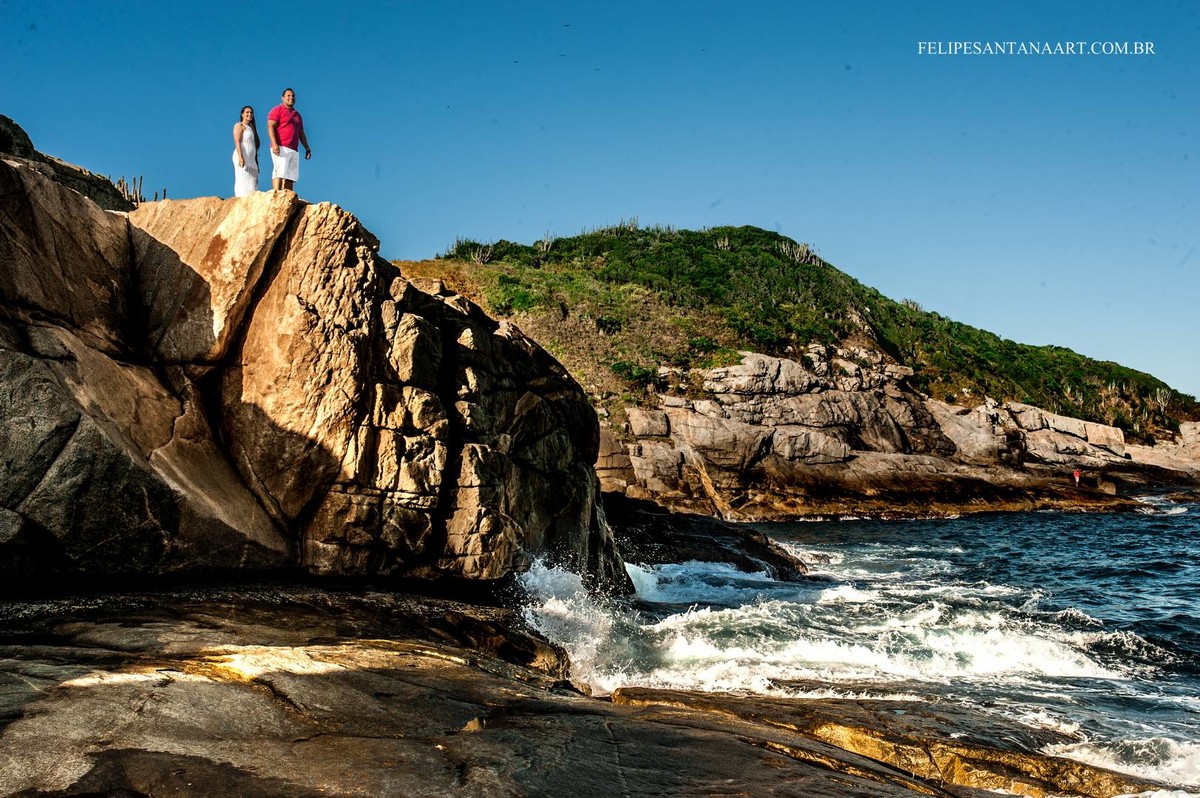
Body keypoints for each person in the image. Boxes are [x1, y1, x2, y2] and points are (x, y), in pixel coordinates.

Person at [267, 88, 311, 191]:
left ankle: (288, 196)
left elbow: (301, 132)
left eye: (293, 96)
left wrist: (307, 147)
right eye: (288, 95)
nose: (291, 98)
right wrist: (274, 143)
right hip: (281, 146)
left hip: (294, 149)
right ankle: (276, 194)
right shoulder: (277, 110)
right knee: (279, 173)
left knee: (291, 176)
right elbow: (270, 126)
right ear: (283, 98)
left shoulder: (297, 115)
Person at [231, 105, 259, 197]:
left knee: (253, 183)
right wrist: (240, 157)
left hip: (251, 159)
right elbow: (237, 141)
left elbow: (254, 147)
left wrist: (256, 162)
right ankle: (240, 198)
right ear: (242, 114)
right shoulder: (239, 125)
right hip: (242, 156)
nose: (249, 114)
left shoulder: (252, 129)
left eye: (251, 113)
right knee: (242, 179)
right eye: (247, 112)